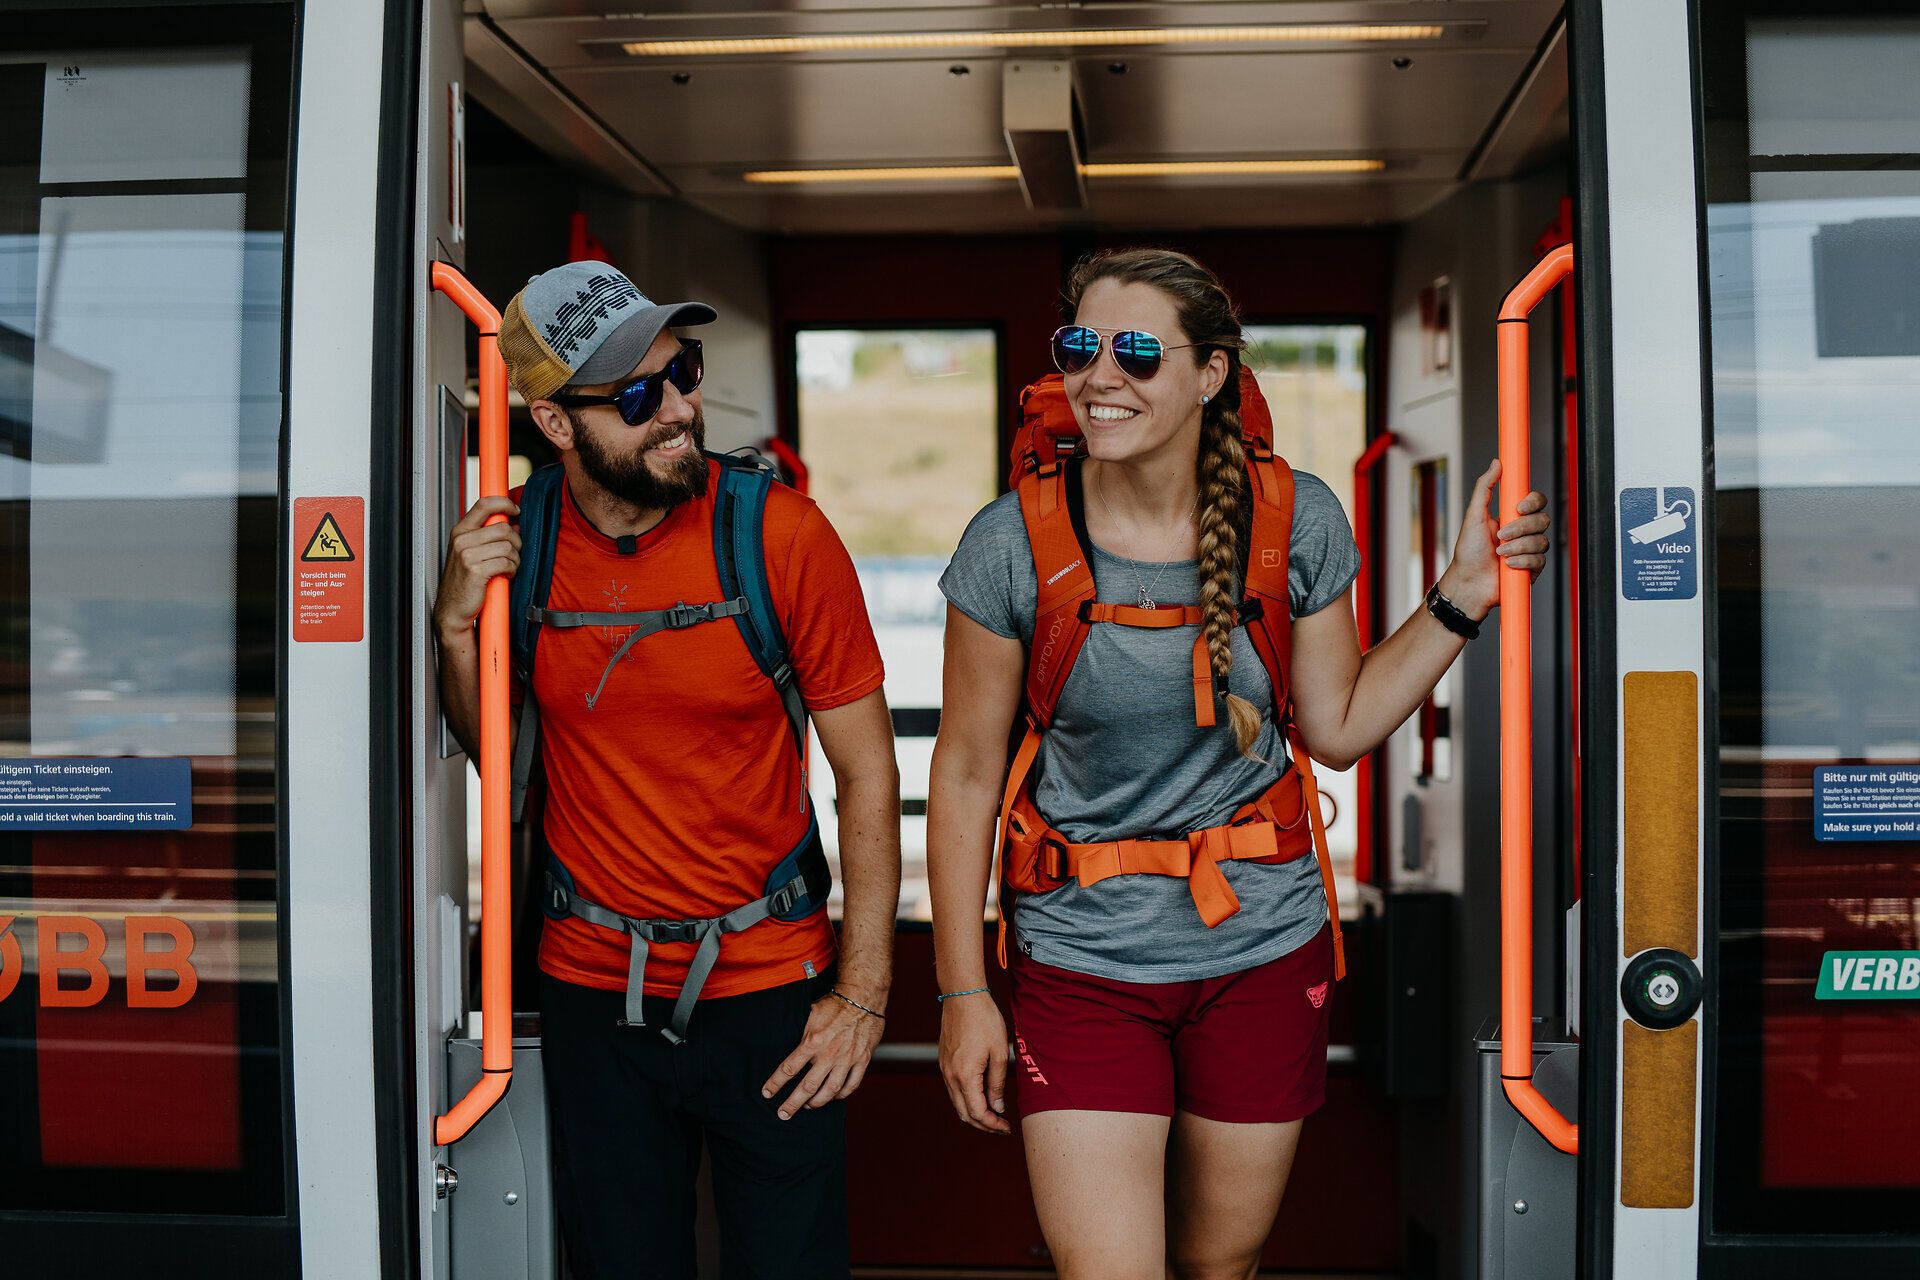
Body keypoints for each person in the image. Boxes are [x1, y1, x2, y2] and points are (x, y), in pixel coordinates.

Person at [927, 248, 1549, 1280]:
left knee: (1221, 1264)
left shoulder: (1293, 517)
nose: (1100, 376)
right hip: (1082, 960)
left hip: (1261, 944)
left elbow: (1340, 726)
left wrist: (1461, 595)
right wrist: (960, 992)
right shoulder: (1010, 543)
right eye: (1079, 346)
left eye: (1135, 350)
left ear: (1210, 374)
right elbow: (962, 775)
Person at [433, 261, 901, 1279]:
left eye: (683, 372)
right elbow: (501, 761)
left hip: (774, 993)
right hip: (593, 995)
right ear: (558, 427)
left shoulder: (778, 536)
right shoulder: (522, 543)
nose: (683, 409)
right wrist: (461, 631)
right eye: (641, 395)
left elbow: (866, 772)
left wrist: (861, 991)